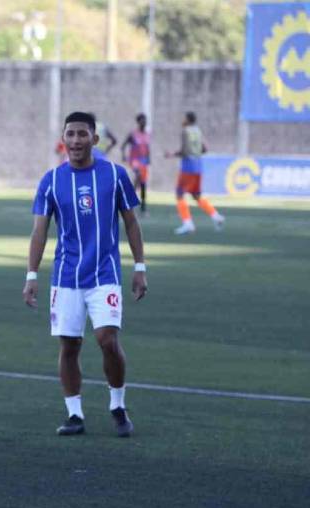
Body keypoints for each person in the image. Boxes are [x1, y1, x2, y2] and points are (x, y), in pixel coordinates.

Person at [23, 112, 147, 437]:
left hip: (105, 272)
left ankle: (117, 405)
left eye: (82, 134)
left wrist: (140, 266)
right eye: (70, 134)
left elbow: (131, 222)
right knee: (70, 345)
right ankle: (74, 413)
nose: (76, 140)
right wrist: (31, 275)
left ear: (95, 139)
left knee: (107, 339)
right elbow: (40, 231)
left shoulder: (115, 175)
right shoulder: (51, 180)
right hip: (66, 277)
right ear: (63, 139)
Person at [165, 111, 225, 235]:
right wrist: (196, 153)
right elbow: (205, 149)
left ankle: (188, 224)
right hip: (198, 166)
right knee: (196, 196)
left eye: (184, 118)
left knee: (179, 194)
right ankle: (216, 216)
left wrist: (172, 154)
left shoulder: (185, 131)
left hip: (188, 167)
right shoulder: (198, 131)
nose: (182, 120)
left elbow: (185, 151)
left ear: (187, 120)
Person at [121, 113, 151, 215]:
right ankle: (130, 200)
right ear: (138, 122)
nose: (144, 122)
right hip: (134, 160)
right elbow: (123, 145)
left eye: (145, 120)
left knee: (143, 183)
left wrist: (149, 158)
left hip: (143, 161)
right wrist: (123, 156)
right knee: (138, 175)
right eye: (142, 120)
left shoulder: (147, 134)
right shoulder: (133, 134)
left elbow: (147, 147)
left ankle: (143, 207)